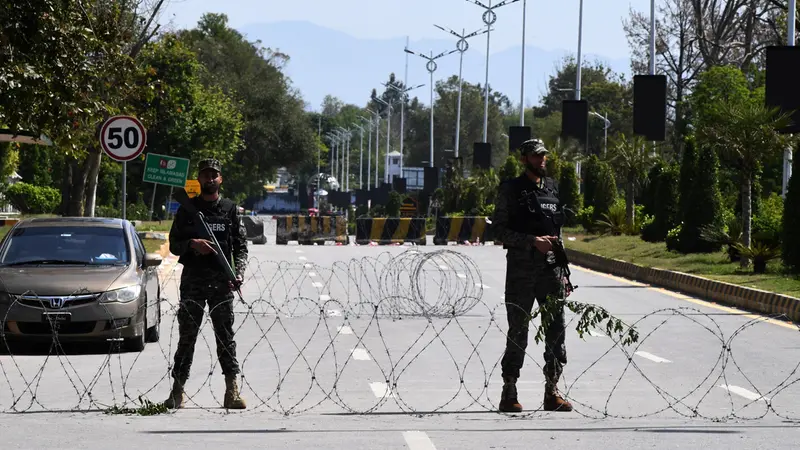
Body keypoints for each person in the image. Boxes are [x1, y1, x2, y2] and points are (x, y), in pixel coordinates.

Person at [491, 138, 573, 413]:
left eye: (544, 156)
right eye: (537, 156)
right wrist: (530, 241)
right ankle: (509, 390)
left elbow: (557, 232)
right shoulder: (511, 190)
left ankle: (552, 390)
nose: (542, 160)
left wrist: (563, 272)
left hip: (550, 271)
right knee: (518, 331)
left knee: (556, 330)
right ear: (524, 158)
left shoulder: (551, 189)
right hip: (521, 271)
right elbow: (498, 230)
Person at [164, 158, 248, 410]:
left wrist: (238, 273)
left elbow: (241, 247)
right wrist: (193, 244)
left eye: (215, 175)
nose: (210, 179)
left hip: (222, 282)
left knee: (225, 338)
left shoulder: (230, 210)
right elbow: (174, 244)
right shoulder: (187, 210)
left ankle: (231, 391)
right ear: (199, 179)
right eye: (205, 175)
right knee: (187, 338)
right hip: (193, 283)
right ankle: (177, 391)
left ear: (220, 179)